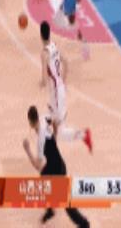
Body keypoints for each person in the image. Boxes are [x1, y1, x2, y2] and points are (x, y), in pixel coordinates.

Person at [23, 105, 90, 226]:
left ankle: (84, 223)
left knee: (65, 202)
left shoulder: (40, 141)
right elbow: (55, 121)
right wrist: (54, 135)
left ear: (30, 123)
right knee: (43, 176)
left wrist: (27, 150)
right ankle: (50, 210)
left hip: (58, 170)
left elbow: (37, 165)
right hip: (55, 164)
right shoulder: (44, 118)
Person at [39, 21, 93, 151]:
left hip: (56, 93)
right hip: (57, 91)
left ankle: (84, 135)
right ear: (49, 33)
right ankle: (50, 148)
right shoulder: (54, 47)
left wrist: (41, 84)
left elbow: (44, 80)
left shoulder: (44, 54)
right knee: (48, 119)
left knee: (61, 131)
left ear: (41, 35)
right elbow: (66, 63)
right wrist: (61, 82)